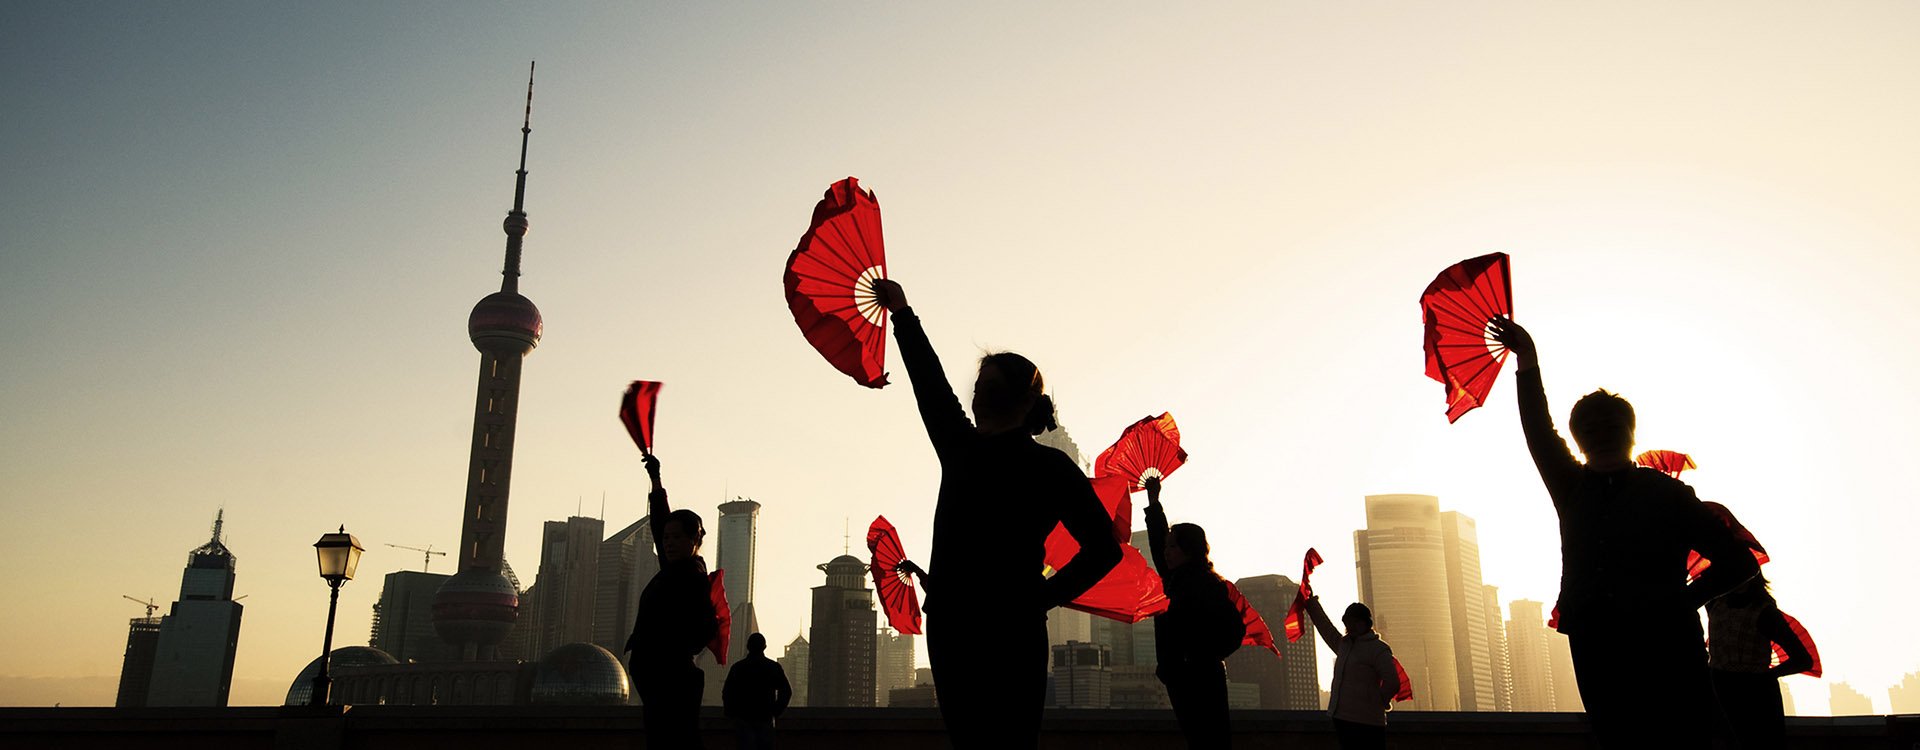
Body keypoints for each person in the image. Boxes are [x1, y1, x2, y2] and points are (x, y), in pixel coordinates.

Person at [870, 278, 1122, 749]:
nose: (975, 395)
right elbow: (1104, 550)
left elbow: (930, 385)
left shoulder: (963, 449)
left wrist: (903, 315)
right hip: (1008, 627)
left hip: (961, 627)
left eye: (985, 388)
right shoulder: (1047, 466)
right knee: (1009, 746)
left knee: (973, 746)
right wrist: (1039, 597)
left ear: (1022, 402)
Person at [1489, 318, 1759, 747]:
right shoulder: (1571, 485)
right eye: (1590, 431)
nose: (1601, 437)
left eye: (1610, 428)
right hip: (1598, 640)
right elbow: (1537, 429)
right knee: (1620, 741)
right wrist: (1527, 360)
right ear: (1578, 440)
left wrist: (1680, 602)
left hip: (1665, 645)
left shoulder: (1668, 493)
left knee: (1684, 740)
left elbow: (1739, 561)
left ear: (1631, 434)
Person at [625, 453, 718, 749]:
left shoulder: (691, 576)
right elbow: (660, 521)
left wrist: (668, 651)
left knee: (674, 741)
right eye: (666, 538)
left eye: (677, 538)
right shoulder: (677, 569)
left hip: (671, 677)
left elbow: (703, 629)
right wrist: (655, 480)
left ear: (695, 541)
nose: (668, 542)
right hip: (660, 673)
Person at [1142, 476, 1243, 749]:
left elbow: (1235, 630)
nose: (1166, 552)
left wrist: (1196, 659)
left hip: (1201, 680)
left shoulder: (1207, 584)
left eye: (1173, 546)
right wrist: (1153, 502)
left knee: (1209, 742)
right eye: (1167, 547)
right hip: (1179, 678)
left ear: (1189, 549)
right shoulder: (1174, 580)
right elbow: (1156, 540)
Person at [1303, 596, 1397, 750]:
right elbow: (1326, 629)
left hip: (1369, 721)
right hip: (1342, 718)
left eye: (1355, 623)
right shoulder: (1344, 646)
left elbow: (1392, 682)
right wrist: (1312, 605)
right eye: (1348, 623)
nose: (1350, 627)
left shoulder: (1378, 649)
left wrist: (1377, 701)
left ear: (1365, 624)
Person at [723, 632, 793, 750]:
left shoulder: (738, 668)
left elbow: (727, 692)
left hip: (743, 719)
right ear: (764, 647)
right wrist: (776, 711)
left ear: (748, 646)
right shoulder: (773, 667)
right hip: (765, 719)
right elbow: (786, 691)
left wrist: (732, 713)